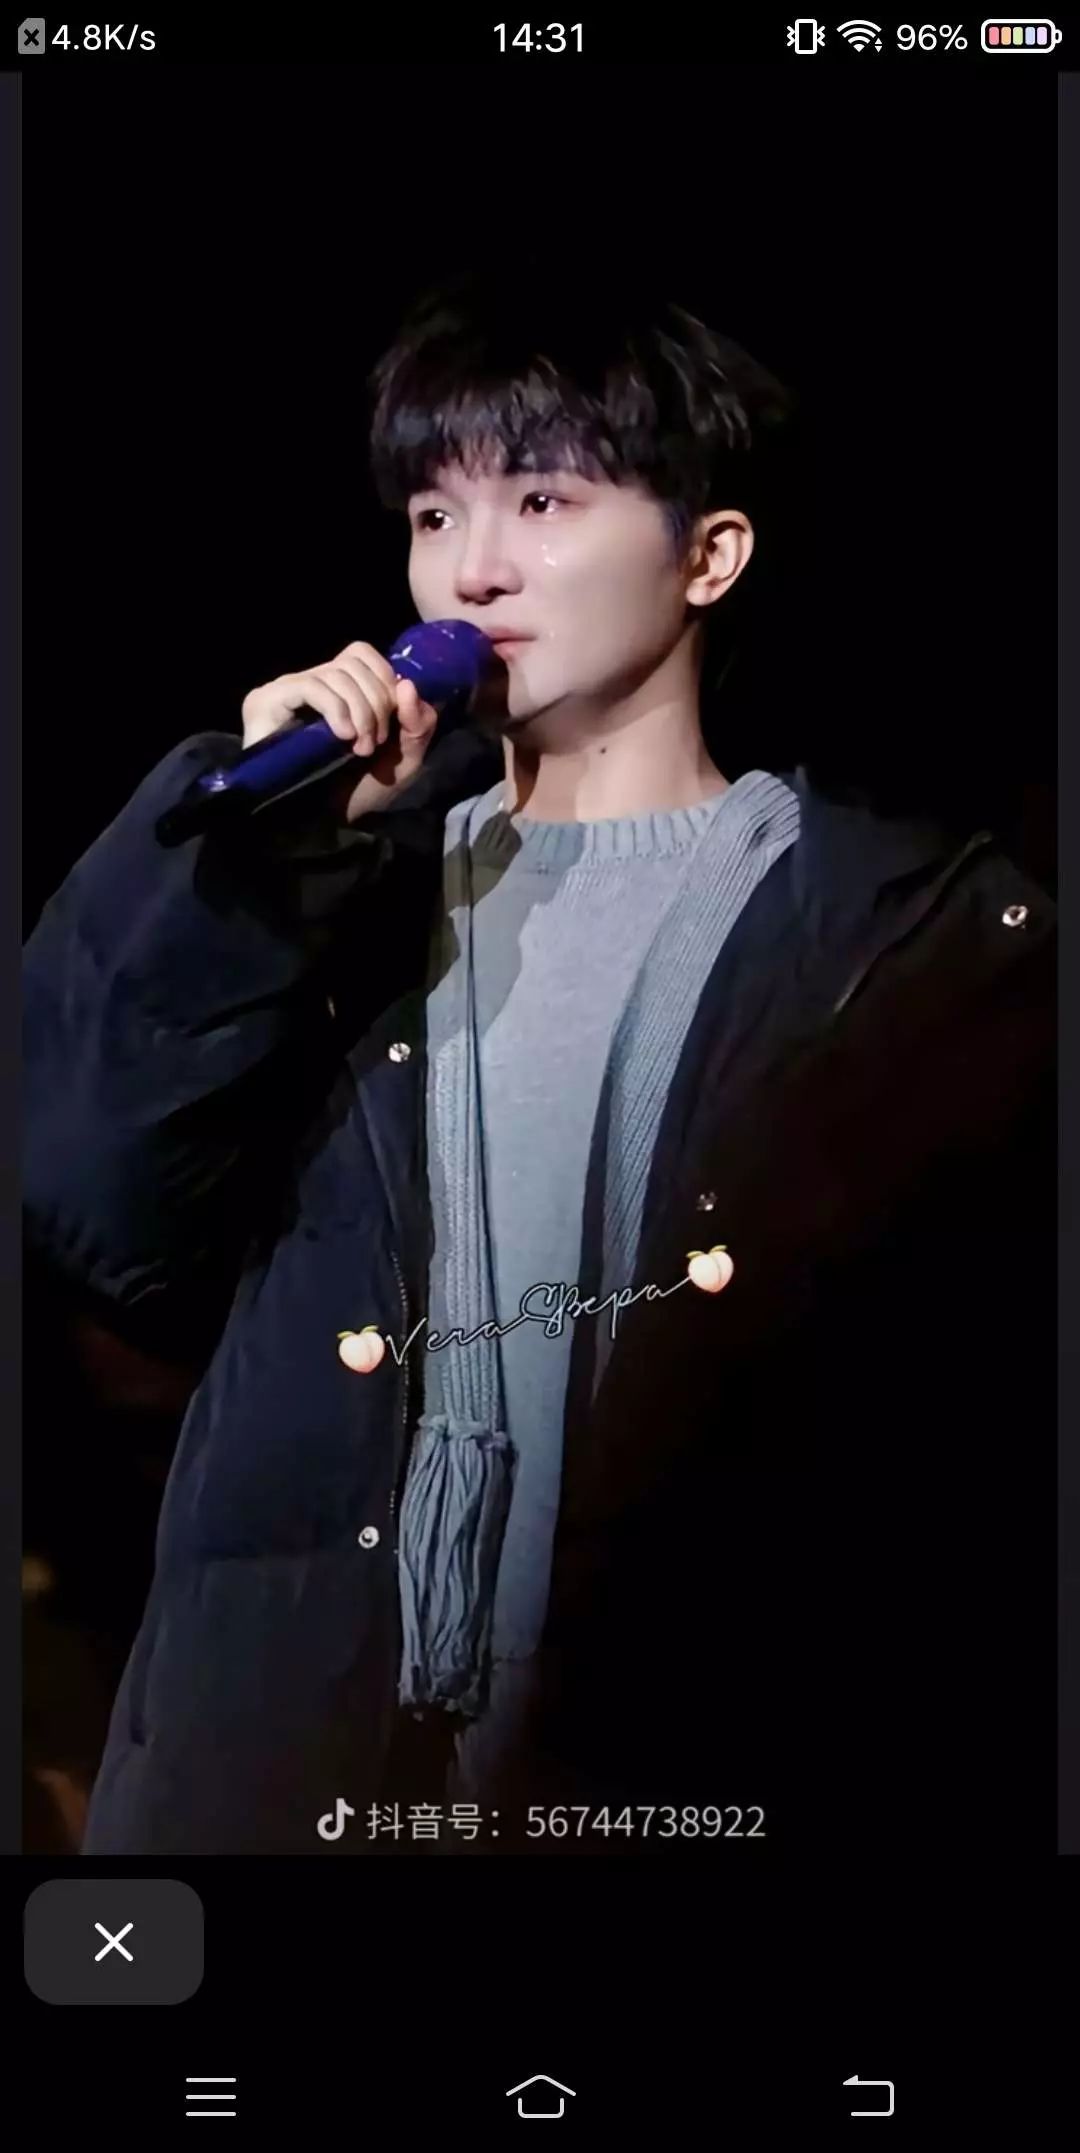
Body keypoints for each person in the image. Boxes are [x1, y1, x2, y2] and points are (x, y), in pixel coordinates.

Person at [23, 264, 1054, 1857]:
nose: (472, 568)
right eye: (434, 514)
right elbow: (94, 1201)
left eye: (544, 502)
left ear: (709, 556)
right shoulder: (337, 899)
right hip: (294, 1767)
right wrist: (245, 872)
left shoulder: (902, 938)